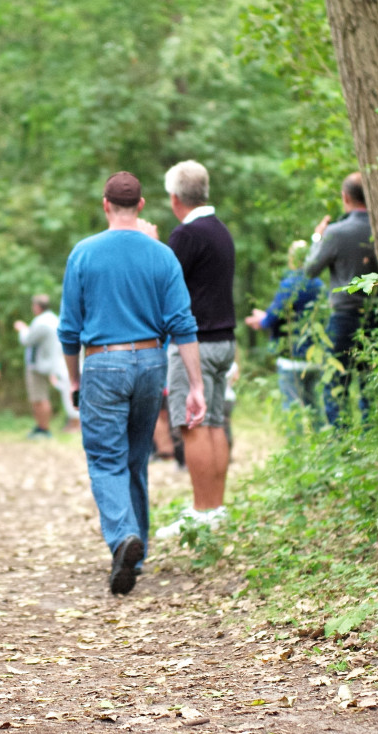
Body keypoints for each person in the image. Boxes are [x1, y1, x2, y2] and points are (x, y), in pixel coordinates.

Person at [58, 171, 206, 596]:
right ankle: (135, 557)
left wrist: (73, 378)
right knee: (136, 458)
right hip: (150, 363)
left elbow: (69, 329)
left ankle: (123, 536)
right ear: (141, 206)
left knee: (105, 459)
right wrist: (196, 386)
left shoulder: (83, 253)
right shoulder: (162, 255)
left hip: (103, 364)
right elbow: (183, 324)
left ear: (105, 205)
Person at [148, 161, 237, 538]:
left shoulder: (186, 236)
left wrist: (151, 246)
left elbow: (159, 282)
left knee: (192, 426)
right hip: (224, 341)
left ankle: (202, 511)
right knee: (215, 423)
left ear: (174, 198)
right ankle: (215, 507)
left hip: (194, 345)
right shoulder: (221, 231)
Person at [302, 171, 378, 427]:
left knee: (337, 381)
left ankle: (342, 441)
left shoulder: (335, 232)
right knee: (372, 380)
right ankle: (374, 436)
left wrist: (317, 237)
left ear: (345, 197)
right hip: (377, 315)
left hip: (344, 317)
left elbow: (309, 269)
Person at [245, 239, 325, 427]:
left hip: (292, 357)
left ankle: (296, 448)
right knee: (314, 406)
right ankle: (326, 446)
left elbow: (272, 318)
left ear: (292, 258)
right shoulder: (319, 284)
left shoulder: (290, 284)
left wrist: (261, 319)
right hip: (315, 355)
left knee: (292, 409)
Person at [13, 293, 79, 438]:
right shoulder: (55, 319)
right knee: (56, 395)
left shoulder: (41, 322)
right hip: (54, 364)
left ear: (36, 307)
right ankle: (48, 427)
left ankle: (43, 428)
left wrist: (22, 329)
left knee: (39, 397)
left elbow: (28, 340)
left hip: (39, 365)